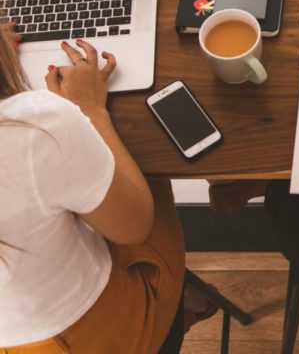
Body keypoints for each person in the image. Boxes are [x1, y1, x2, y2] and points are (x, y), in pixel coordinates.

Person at [0, 32, 195, 353]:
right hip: (95, 337)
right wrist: (90, 109)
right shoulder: (34, 126)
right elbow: (134, 226)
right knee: (149, 177)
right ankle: (176, 307)